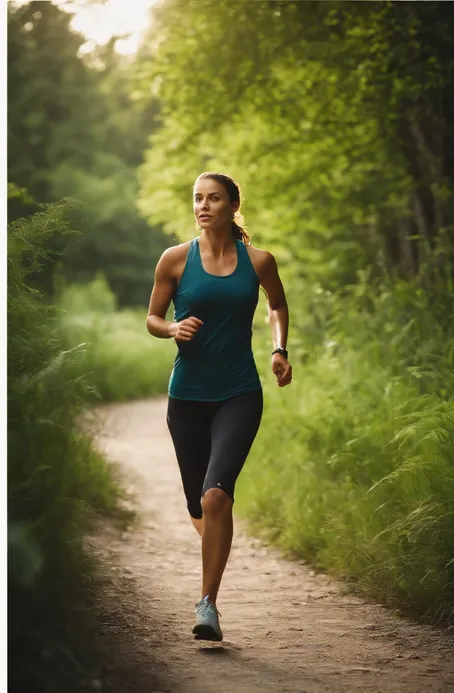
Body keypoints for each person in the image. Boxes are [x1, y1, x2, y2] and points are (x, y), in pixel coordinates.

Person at [146, 171, 292, 641]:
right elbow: (152, 318)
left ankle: (207, 603)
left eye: (213, 198)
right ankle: (217, 536)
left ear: (232, 206)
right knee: (198, 503)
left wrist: (279, 349)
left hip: (238, 393)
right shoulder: (173, 260)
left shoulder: (259, 260)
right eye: (197, 199)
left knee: (216, 497)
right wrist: (171, 329)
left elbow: (276, 305)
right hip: (186, 397)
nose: (202, 206)